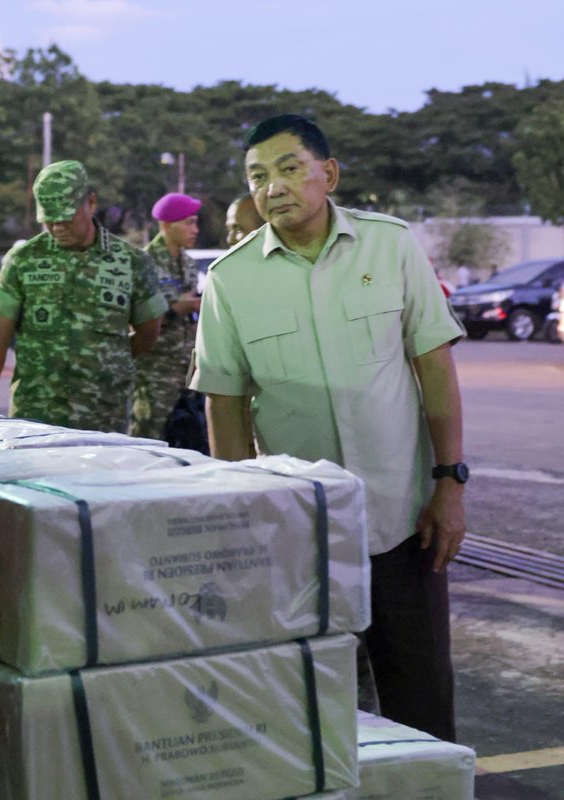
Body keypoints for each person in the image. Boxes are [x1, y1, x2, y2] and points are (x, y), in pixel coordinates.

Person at [191, 114, 466, 742]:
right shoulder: (232, 280)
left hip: (404, 520)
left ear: (328, 174)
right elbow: (225, 406)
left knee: (420, 699)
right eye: (258, 177)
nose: (274, 187)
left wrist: (450, 481)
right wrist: (241, 519)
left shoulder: (390, 246)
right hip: (296, 534)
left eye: (290, 168)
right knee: (307, 706)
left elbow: (436, 369)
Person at [0, 160, 167, 432]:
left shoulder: (131, 263)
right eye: (49, 220)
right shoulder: (23, 260)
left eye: (65, 217)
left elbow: (148, 333)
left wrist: (107, 363)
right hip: (34, 419)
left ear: (90, 203)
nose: (57, 227)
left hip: (103, 421)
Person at [130, 192, 204, 439]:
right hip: (155, 374)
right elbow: (134, 318)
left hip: (187, 371)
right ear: (166, 226)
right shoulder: (144, 263)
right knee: (150, 437)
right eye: (188, 222)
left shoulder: (189, 264)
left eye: (196, 222)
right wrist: (175, 310)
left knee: (187, 439)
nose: (195, 229)